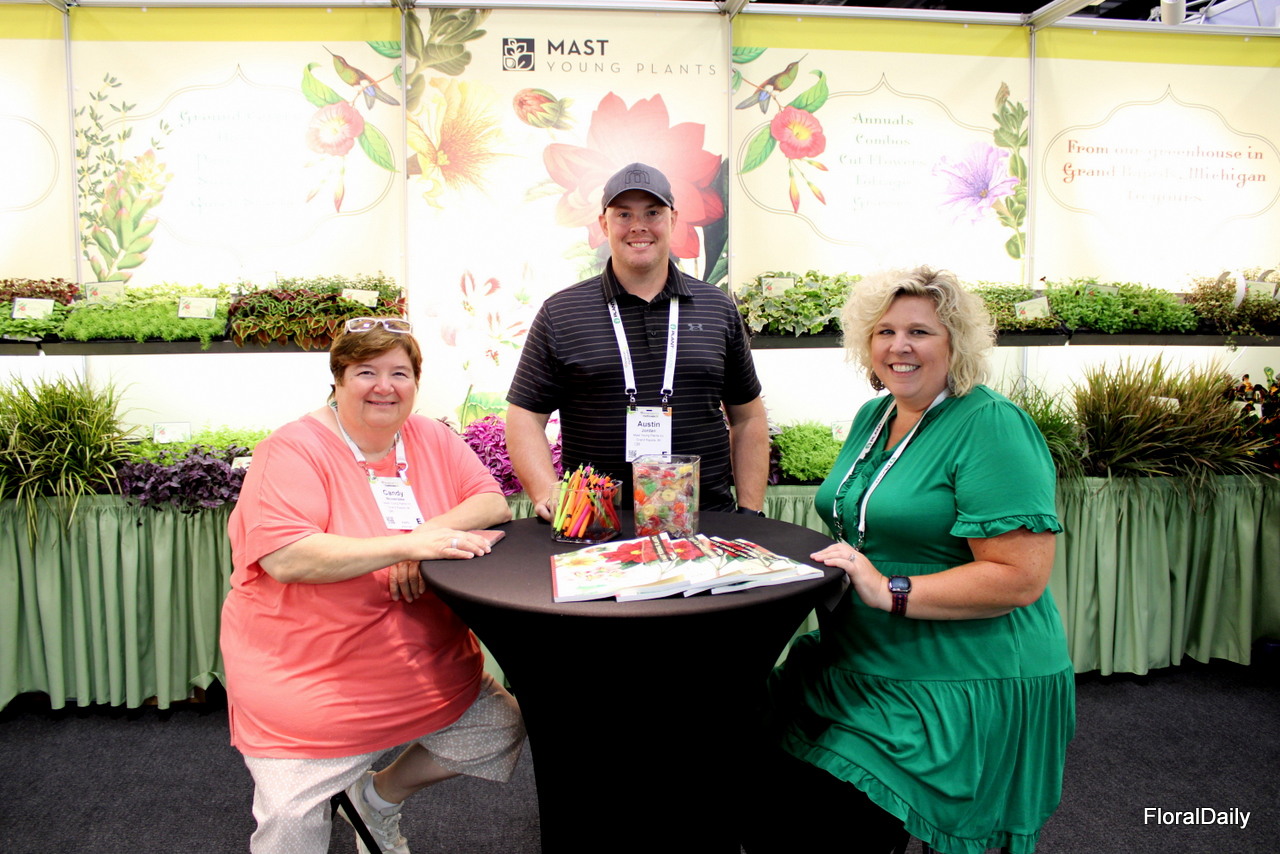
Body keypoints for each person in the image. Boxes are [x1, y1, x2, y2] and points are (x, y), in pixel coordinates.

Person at [743, 267, 1074, 854]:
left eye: (920, 332)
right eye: (885, 331)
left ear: (955, 343)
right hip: (857, 659)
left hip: (955, 672)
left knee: (822, 826)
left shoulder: (991, 425)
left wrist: (890, 588)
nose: (900, 346)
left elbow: (1020, 578)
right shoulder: (875, 416)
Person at [222, 317, 525, 854]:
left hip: (422, 663)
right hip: (311, 677)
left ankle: (377, 799)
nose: (385, 387)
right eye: (366, 371)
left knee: (499, 728)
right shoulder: (290, 449)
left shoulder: (430, 436)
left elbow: (490, 501)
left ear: (416, 383)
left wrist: (424, 535)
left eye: (399, 373)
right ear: (338, 379)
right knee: (291, 826)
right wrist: (406, 547)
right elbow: (287, 557)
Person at [506, 161, 770, 518]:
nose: (638, 226)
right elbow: (525, 415)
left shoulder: (717, 307)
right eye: (624, 214)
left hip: (706, 521)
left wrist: (750, 512)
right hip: (596, 524)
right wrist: (545, 493)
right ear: (604, 224)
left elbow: (747, 417)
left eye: (652, 212)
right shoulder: (562, 312)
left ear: (673, 219)